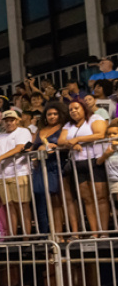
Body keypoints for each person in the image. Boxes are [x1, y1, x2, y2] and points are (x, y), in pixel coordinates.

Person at [59, 100, 108, 237]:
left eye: (76, 108)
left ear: (84, 108)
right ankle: (94, 232)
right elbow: (61, 141)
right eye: (71, 110)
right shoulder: (69, 125)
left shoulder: (95, 118)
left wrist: (77, 140)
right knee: (87, 198)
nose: (73, 111)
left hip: (95, 160)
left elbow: (100, 134)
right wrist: (72, 144)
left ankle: (104, 231)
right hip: (78, 163)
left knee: (101, 197)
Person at [0, 110, 34, 238]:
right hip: (2, 174)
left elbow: (20, 148)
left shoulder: (23, 131)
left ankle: (26, 237)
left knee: (23, 204)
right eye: (6, 120)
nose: (9, 123)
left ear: (17, 120)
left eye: (11, 120)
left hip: (20, 171)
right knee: (10, 205)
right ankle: (14, 236)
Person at [31, 101, 69, 235]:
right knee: (46, 199)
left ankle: (65, 231)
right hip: (42, 166)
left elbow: (65, 144)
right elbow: (34, 147)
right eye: (49, 114)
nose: (52, 116)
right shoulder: (40, 130)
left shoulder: (64, 127)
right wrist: (39, 150)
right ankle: (51, 233)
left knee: (61, 199)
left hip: (59, 164)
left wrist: (54, 147)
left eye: (55, 114)